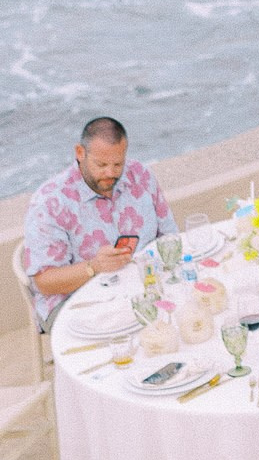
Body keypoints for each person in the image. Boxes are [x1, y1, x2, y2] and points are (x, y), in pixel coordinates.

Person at [22, 115, 173, 325]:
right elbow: (43, 282)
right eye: (101, 164)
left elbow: (170, 237)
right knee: (133, 327)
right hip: (74, 300)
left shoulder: (140, 175)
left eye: (118, 164)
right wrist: (93, 266)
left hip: (143, 285)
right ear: (80, 153)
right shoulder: (49, 202)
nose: (110, 173)